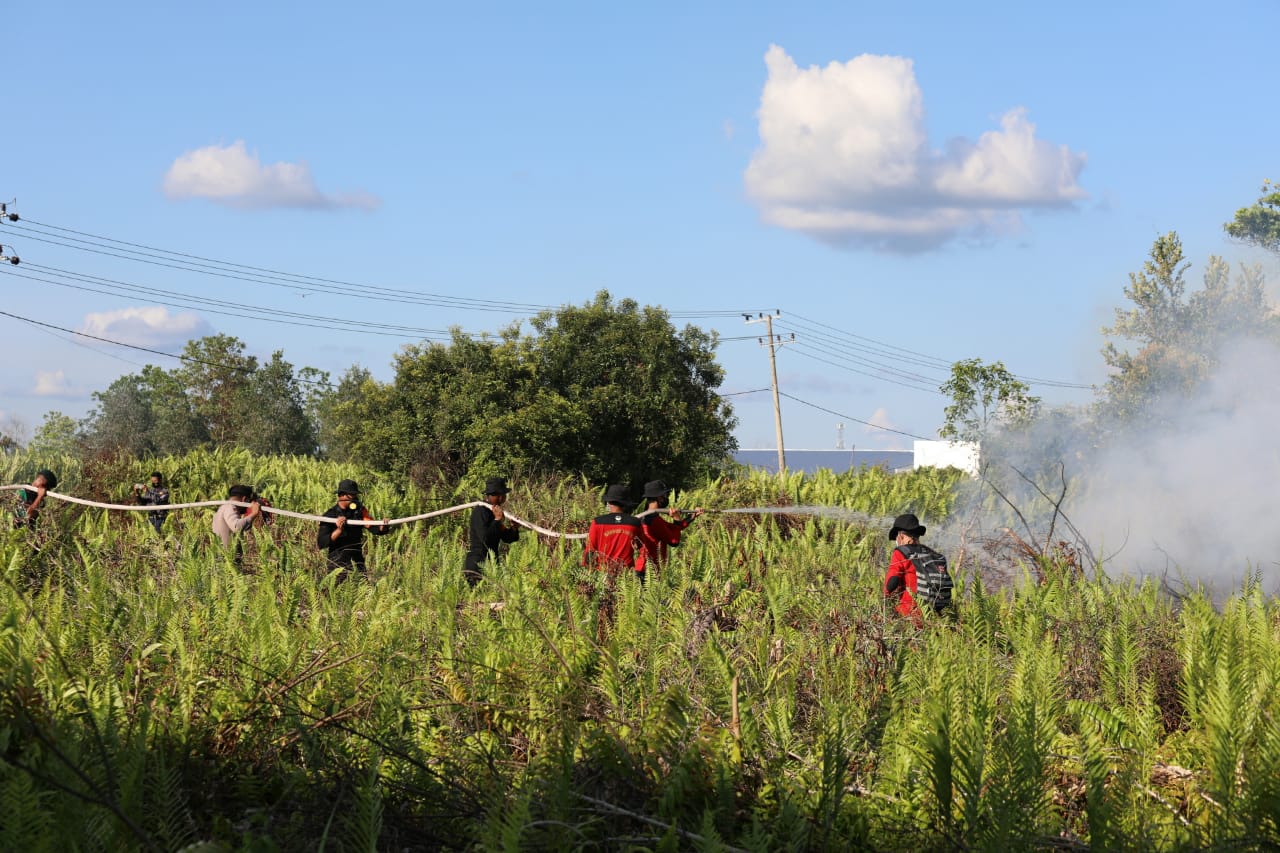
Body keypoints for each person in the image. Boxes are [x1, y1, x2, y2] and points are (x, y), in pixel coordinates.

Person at [884, 512, 953, 621]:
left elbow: (892, 581)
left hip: (908, 615)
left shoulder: (901, 553)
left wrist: (884, 598)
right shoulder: (934, 555)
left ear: (900, 536)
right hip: (934, 618)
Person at [316, 479, 391, 576]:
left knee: (364, 587)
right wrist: (339, 530)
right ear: (342, 495)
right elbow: (322, 543)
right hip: (338, 562)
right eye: (352, 495)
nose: (355, 498)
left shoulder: (359, 511)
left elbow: (373, 527)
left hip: (357, 559)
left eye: (356, 495)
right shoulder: (329, 516)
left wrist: (383, 526)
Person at [463, 476, 520, 587]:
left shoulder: (494, 512)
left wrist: (514, 528)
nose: (502, 498)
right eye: (499, 495)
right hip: (477, 565)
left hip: (492, 565)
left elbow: (507, 538)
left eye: (504, 495)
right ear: (491, 496)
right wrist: (497, 520)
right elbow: (485, 539)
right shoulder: (480, 511)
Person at [583, 484, 647, 580]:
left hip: (602, 577)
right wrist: (639, 570)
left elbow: (589, 552)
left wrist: (590, 576)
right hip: (626, 579)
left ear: (609, 502)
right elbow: (644, 550)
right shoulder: (635, 523)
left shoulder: (597, 522)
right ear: (625, 503)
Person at [638, 480, 703, 570]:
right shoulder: (654, 520)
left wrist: (692, 516)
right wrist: (676, 518)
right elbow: (674, 541)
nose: (666, 498)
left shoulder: (646, 517)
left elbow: (672, 528)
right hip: (649, 570)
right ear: (659, 497)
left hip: (644, 568)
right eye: (664, 496)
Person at [212, 484, 260, 561]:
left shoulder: (223, 507)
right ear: (245, 499)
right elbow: (236, 527)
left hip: (223, 557)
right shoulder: (230, 507)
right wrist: (254, 513)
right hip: (227, 559)